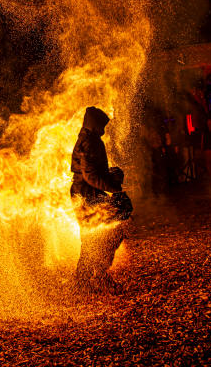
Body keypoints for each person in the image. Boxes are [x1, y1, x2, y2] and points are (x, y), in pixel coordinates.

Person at [70, 106, 129, 293]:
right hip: (87, 196)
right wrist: (113, 188)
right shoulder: (89, 142)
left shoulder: (89, 139)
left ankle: (85, 280)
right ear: (95, 125)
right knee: (102, 235)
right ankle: (92, 278)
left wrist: (111, 175)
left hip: (87, 194)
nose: (104, 130)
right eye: (102, 126)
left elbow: (93, 172)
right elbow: (90, 176)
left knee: (95, 237)